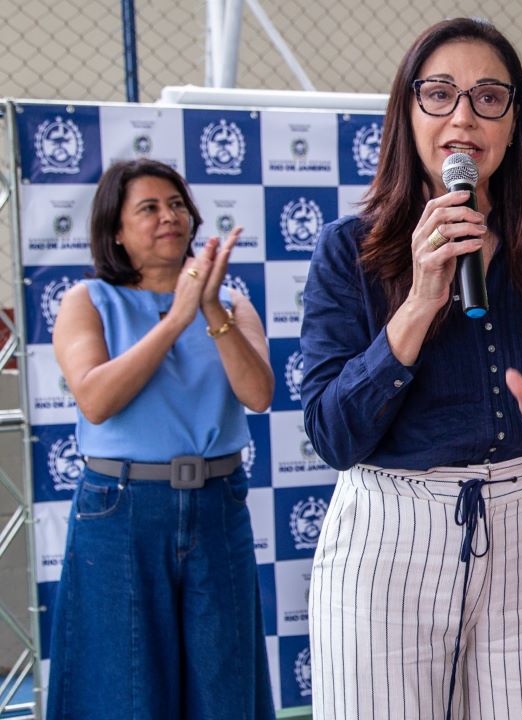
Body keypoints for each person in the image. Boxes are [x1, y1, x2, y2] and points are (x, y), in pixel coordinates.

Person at [299, 18, 522, 720]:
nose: (464, 117)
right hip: (389, 536)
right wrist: (420, 301)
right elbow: (331, 433)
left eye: (488, 97)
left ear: (513, 124)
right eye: (440, 94)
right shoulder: (347, 251)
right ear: (406, 113)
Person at [46, 159, 274, 719]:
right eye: (148, 208)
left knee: (224, 687)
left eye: (176, 205)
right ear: (116, 230)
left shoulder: (232, 302)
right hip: (120, 511)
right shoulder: (87, 301)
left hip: (217, 506)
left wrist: (211, 306)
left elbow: (259, 393)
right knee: (122, 691)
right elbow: (96, 400)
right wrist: (175, 319)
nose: (168, 216)